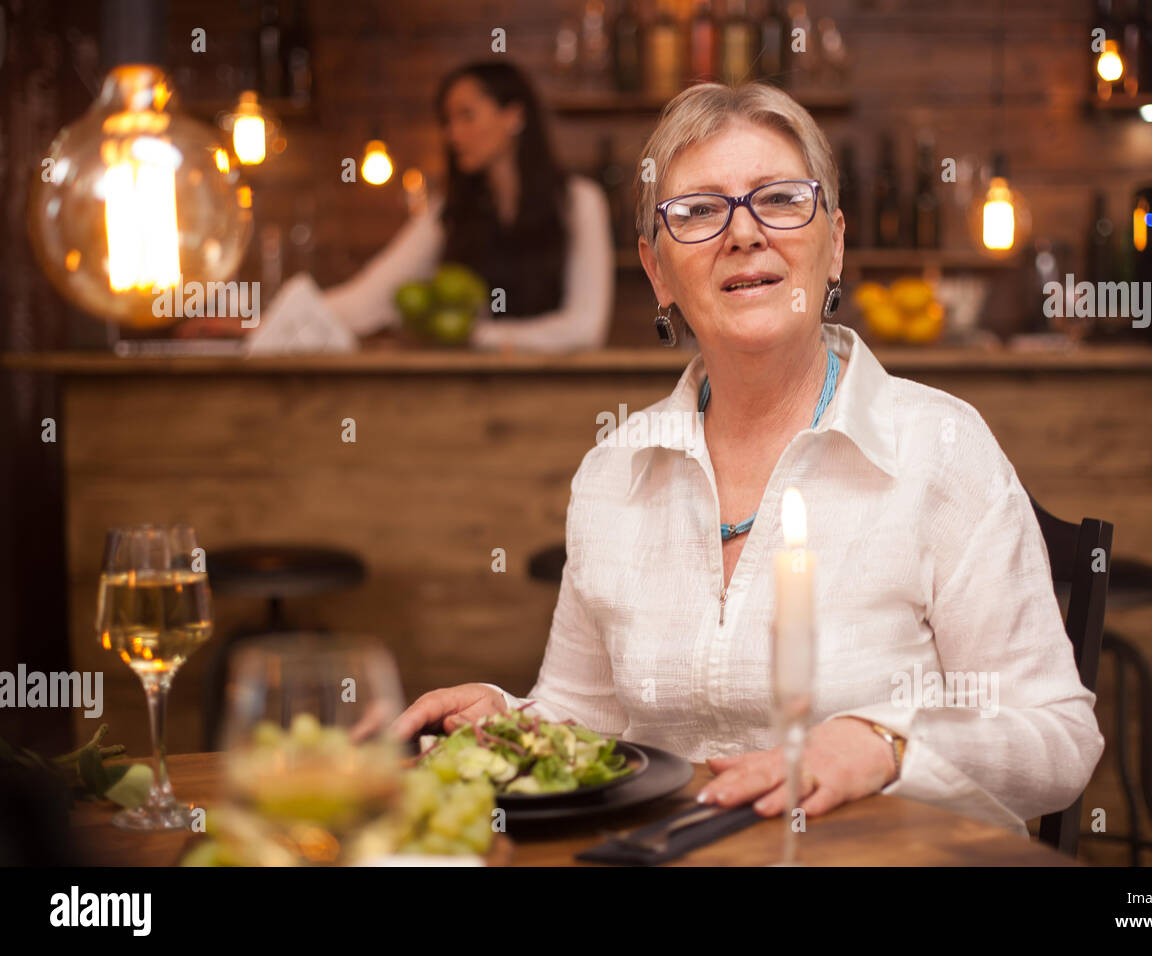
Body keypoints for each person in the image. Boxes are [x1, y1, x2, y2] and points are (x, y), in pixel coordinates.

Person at [393, 82, 1104, 835]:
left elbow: (1058, 739)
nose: (742, 233)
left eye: (779, 199)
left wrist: (886, 746)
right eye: (698, 211)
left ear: (834, 244)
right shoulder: (613, 473)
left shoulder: (942, 448)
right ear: (658, 272)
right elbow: (587, 721)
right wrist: (512, 722)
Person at [255, 60, 614, 351]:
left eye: (467, 116)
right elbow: (367, 299)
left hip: (557, 397)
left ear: (514, 116)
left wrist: (471, 337)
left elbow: (585, 328)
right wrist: (264, 322)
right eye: (447, 121)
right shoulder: (450, 212)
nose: (452, 135)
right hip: (466, 399)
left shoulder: (579, 203)